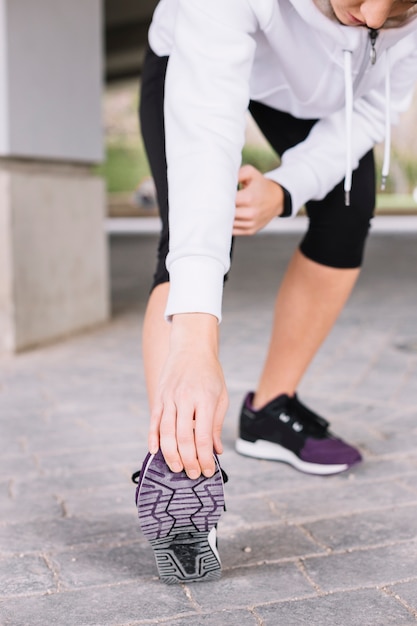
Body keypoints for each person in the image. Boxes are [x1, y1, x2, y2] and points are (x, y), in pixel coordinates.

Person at [134, 0, 417, 583]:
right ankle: (181, 456)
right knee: (197, 236)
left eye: (397, 12)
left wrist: (284, 190)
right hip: (193, 57)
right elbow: (206, 144)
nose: (369, 17)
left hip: (321, 96)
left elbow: (373, 109)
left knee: (347, 206)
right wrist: (194, 344)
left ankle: (269, 410)